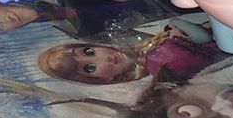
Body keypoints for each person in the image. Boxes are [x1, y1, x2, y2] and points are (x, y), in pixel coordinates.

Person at [37, 33, 223, 86]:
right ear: (102, 79)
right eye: (90, 68)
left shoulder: (148, 48)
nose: (105, 58)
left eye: (89, 51)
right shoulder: (157, 62)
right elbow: (206, 44)